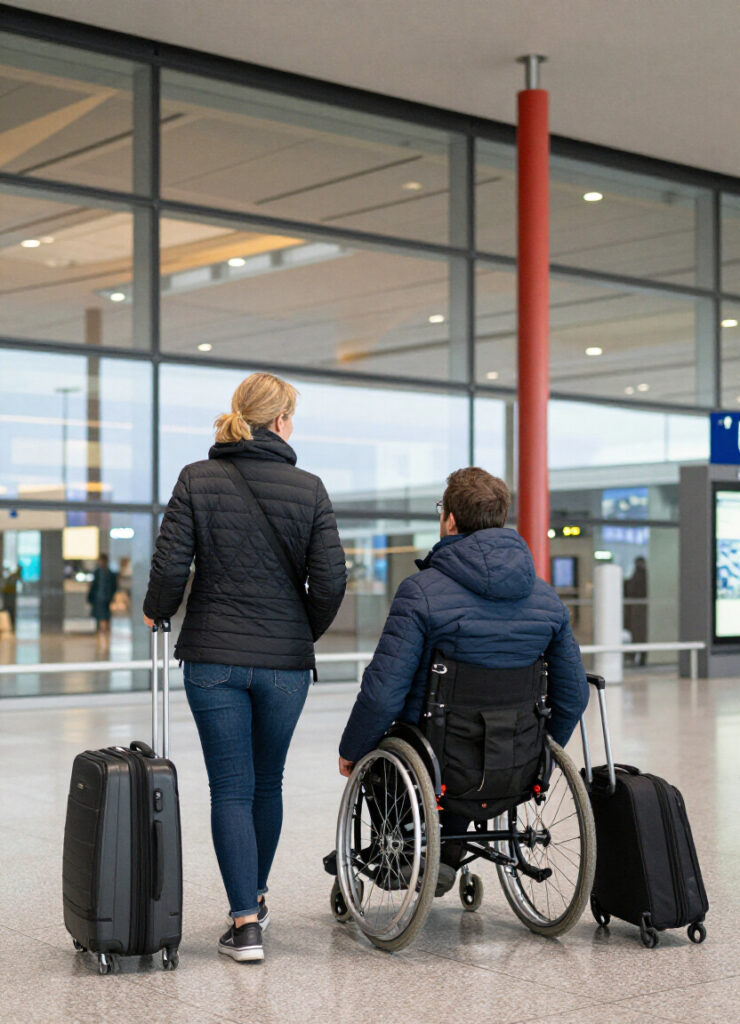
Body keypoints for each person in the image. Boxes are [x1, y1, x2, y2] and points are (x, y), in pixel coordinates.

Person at [143, 372, 346, 964]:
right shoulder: (309, 489)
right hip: (283, 663)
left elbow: (170, 564)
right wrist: (300, 631)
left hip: (213, 657)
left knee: (230, 787)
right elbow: (331, 581)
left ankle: (245, 923)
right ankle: (256, 894)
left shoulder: (196, 478)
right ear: (281, 423)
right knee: (268, 782)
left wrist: (158, 612)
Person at [338, 467, 589, 892]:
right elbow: (574, 695)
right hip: (514, 761)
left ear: (451, 520)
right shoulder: (547, 600)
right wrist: (539, 751)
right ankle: (449, 855)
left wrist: (352, 749)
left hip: (438, 761)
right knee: (460, 749)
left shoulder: (421, 592)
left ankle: (401, 856)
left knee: (394, 749)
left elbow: (382, 695)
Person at [624, 556, 648, 666]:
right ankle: (637, 656)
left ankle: (639, 656)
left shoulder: (641, 575)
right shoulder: (639, 575)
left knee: (640, 635)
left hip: (640, 610)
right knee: (638, 635)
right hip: (636, 610)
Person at [87, 554, 117, 638]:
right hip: (98, 598)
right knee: (99, 616)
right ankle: (100, 632)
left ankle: (105, 632)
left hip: (105, 598)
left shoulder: (110, 573)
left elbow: (114, 586)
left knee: (105, 616)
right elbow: (93, 586)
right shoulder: (97, 573)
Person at [1, 566, 21, 632]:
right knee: (7, 610)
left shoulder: (13, 577)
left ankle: (11, 624)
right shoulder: (7, 578)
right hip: (6, 596)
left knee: (10, 610)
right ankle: (7, 624)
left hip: (10, 596)